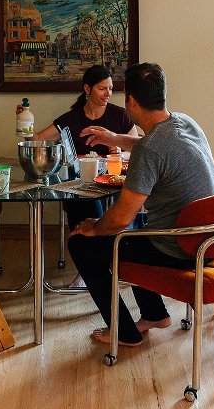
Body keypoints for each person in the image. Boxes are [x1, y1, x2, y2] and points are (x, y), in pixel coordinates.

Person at [68, 62, 214, 347]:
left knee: (82, 244)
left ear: (132, 102)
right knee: (137, 229)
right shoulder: (184, 122)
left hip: (179, 247)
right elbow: (151, 146)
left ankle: (124, 332)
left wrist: (95, 227)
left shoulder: (150, 148)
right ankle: (154, 314)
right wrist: (115, 139)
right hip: (209, 240)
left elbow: (120, 219)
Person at [17, 65, 140, 287]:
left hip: (114, 181)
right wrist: (24, 123)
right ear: (87, 89)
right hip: (81, 184)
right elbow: (37, 140)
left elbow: (138, 148)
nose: (108, 94)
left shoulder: (119, 115)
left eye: (111, 89)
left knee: (97, 206)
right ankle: (88, 267)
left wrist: (119, 151)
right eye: (102, 88)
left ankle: (99, 265)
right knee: (79, 203)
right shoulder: (71, 118)